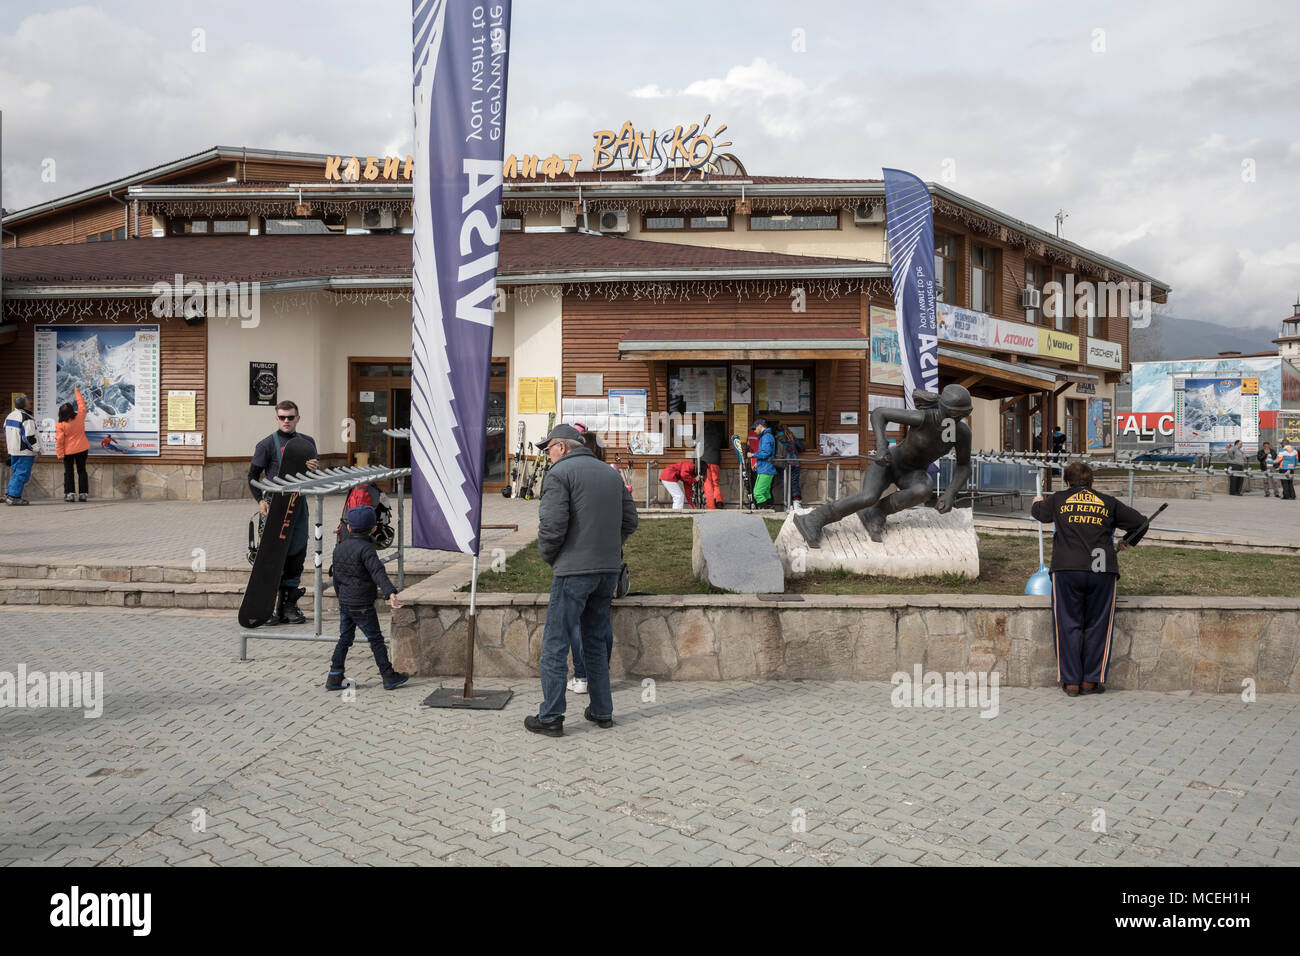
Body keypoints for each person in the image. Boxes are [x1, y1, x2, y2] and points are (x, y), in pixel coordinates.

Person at [527, 424, 638, 737]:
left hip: (573, 571)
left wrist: (552, 557)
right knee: (595, 640)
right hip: (607, 571)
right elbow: (631, 521)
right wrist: (609, 550)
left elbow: (551, 526)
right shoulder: (610, 473)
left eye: (547, 449)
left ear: (561, 447)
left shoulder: (559, 475)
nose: (546, 455)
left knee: (555, 644)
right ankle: (602, 711)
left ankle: (550, 717)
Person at [794, 385, 973, 546]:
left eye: (962, 414)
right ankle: (814, 519)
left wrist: (950, 493)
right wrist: (881, 447)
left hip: (913, 473)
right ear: (942, 407)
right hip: (890, 462)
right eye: (953, 413)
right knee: (868, 497)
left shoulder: (962, 433)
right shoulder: (922, 418)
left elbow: (964, 465)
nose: (956, 418)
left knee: (923, 490)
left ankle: (876, 513)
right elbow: (880, 413)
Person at [1031, 460, 1146, 697]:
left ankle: (1071, 682)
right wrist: (1128, 541)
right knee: (1098, 626)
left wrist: (1036, 503)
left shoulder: (1059, 499)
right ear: (1091, 481)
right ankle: (1091, 681)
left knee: (1067, 625)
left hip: (1067, 570)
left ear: (1067, 481)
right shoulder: (1108, 502)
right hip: (1102, 571)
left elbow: (1039, 515)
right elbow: (1141, 523)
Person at [248, 400, 319, 625]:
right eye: (282, 417)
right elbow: (252, 476)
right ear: (276, 418)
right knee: (272, 554)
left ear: (298, 418)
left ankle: (288, 606)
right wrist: (260, 500)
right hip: (273, 505)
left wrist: (315, 471)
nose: (286, 421)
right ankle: (266, 606)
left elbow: (314, 477)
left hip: (299, 504)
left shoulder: (307, 443)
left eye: (290, 417)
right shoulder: (266, 444)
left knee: (296, 552)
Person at [325, 505, 408, 691]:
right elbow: (377, 571)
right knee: (376, 639)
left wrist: (341, 597)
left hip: (345, 602)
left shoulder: (339, 548)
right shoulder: (367, 548)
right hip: (362, 603)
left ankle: (334, 676)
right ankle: (388, 676)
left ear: (348, 528)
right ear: (373, 528)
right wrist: (390, 593)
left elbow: (336, 577)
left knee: (344, 638)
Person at [56, 387, 91, 503]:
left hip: (68, 451)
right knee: (82, 470)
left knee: (69, 472)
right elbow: (82, 406)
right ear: (72, 411)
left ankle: (70, 494)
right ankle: (83, 494)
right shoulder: (80, 417)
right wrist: (77, 392)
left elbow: (59, 440)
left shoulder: (60, 424)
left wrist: (60, 454)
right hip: (82, 449)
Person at [4, 394, 38, 506]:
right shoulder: (26, 418)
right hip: (25, 451)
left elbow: (5, 431)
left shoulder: (10, 416)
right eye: (28, 401)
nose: (30, 402)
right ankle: (14, 497)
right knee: (22, 474)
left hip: (13, 449)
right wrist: (36, 449)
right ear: (24, 404)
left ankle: (9, 495)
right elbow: (29, 437)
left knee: (17, 473)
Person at [774, 424, 806, 508]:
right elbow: (802, 448)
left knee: (785, 483)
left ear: (777, 431)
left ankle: (788, 505)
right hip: (795, 463)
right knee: (794, 483)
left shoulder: (777, 439)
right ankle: (796, 503)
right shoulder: (791, 437)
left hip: (784, 464)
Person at [751, 419, 778, 510]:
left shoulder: (766, 437)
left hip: (766, 469)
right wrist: (757, 464)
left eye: (755, 428)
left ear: (760, 426)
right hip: (765, 468)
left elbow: (766, 453)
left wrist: (752, 455)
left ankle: (763, 511)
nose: (754, 431)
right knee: (765, 493)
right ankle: (769, 510)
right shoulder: (766, 436)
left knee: (757, 492)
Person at [699, 420, 725, 509]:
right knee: (715, 483)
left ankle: (711, 506)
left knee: (707, 484)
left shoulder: (701, 435)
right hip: (715, 462)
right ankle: (719, 501)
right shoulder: (718, 436)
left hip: (704, 462)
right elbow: (723, 444)